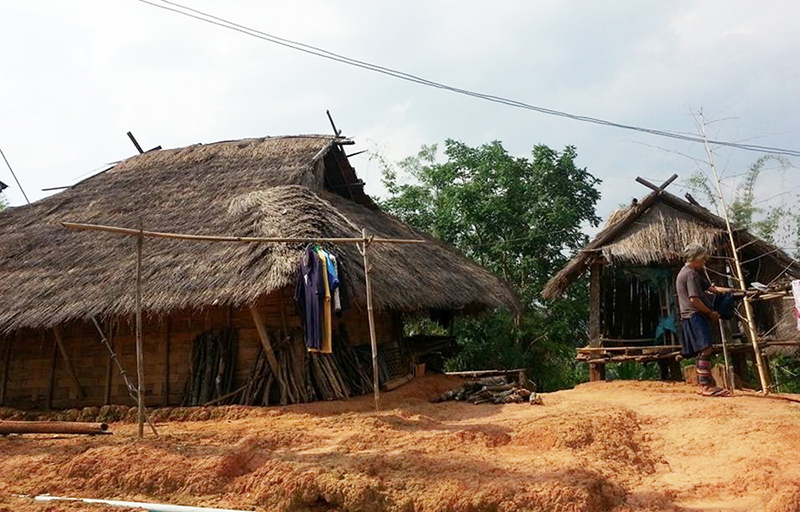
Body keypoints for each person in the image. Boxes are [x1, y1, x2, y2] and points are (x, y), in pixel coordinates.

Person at [676, 243, 735, 397]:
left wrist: (732, 291)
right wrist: (711, 312)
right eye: (703, 258)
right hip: (694, 315)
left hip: (692, 315)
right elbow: (694, 299)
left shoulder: (690, 272)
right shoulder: (690, 274)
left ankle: (705, 383)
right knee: (706, 348)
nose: (704, 262)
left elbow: (711, 288)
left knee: (704, 348)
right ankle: (706, 386)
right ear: (695, 258)